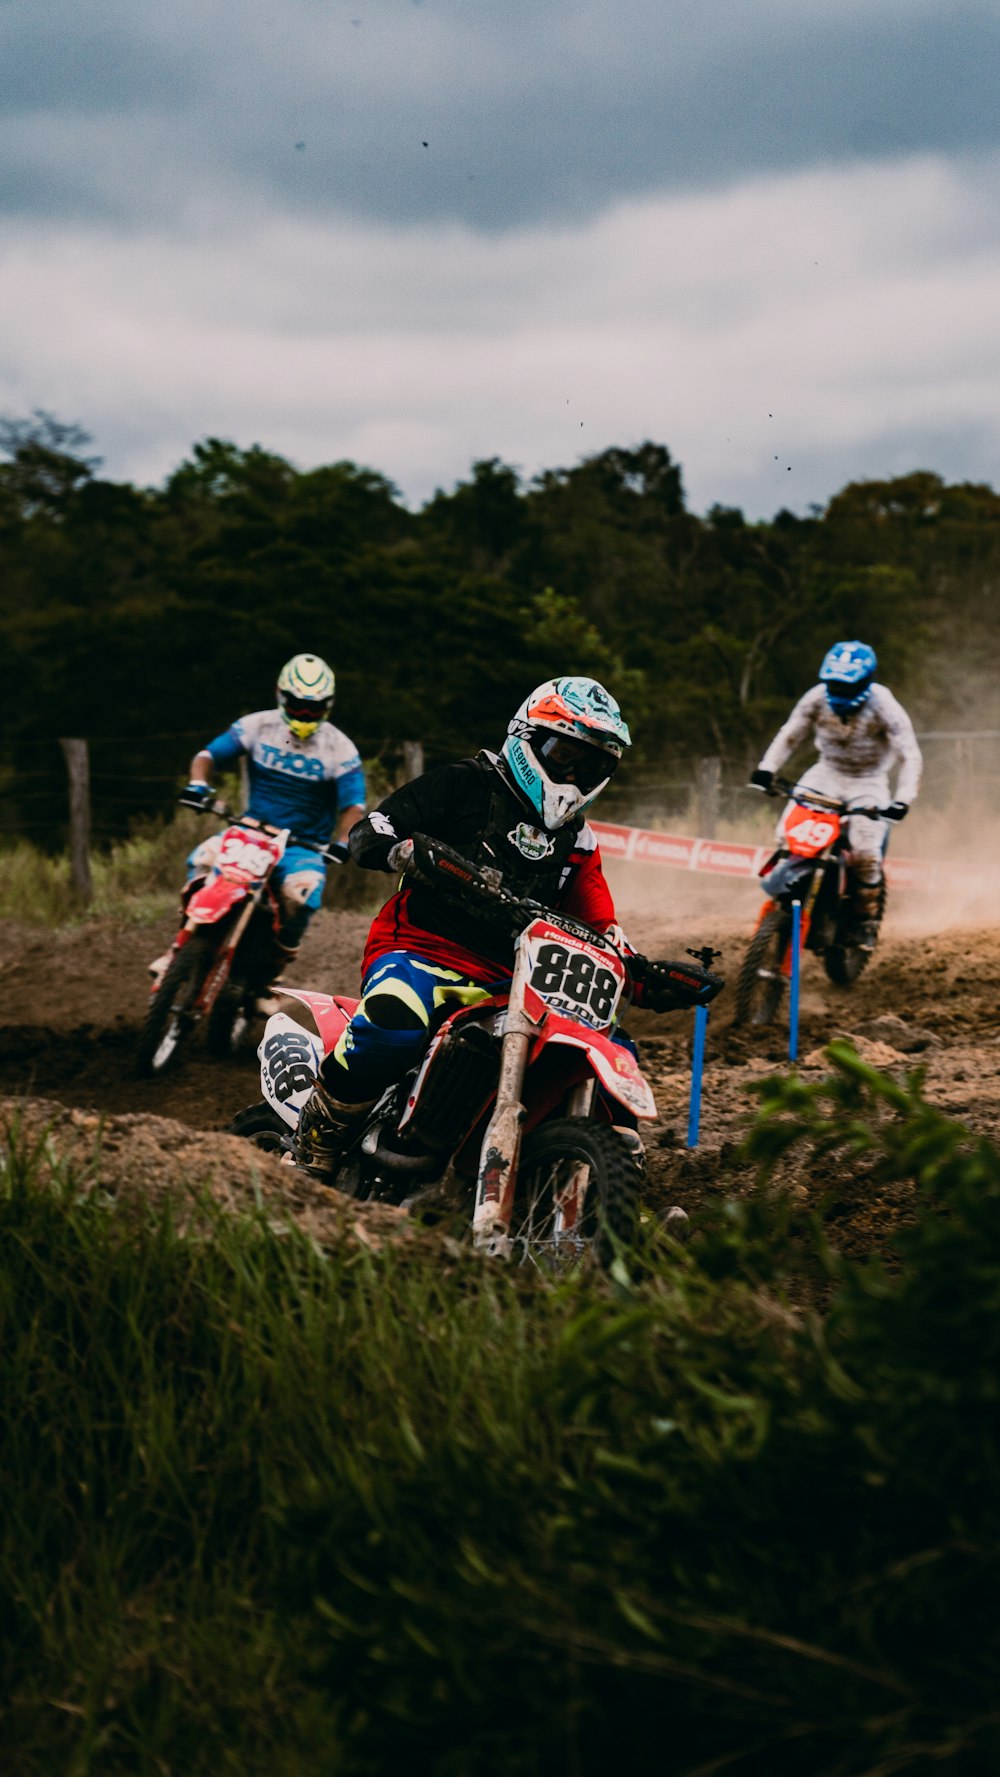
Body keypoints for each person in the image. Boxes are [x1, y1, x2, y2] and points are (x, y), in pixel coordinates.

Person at [293, 674, 717, 1182]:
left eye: (593, 766)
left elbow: (602, 927)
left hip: (513, 982)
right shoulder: (463, 784)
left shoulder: (577, 842)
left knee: (618, 1049)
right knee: (393, 1019)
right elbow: (373, 829)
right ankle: (316, 1140)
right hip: (421, 950)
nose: (576, 773)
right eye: (565, 756)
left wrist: (642, 972)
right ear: (527, 738)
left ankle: (610, 1184)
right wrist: (404, 850)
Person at [159, 653, 365, 1003]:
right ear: (281, 697)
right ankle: (181, 946)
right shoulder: (257, 726)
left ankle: (272, 971)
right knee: (203, 860)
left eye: (313, 708)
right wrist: (197, 784)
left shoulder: (340, 748)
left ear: (327, 706)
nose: (304, 715)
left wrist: (344, 840)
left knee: (304, 894)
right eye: (298, 705)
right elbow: (207, 756)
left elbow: (353, 806)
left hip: (303, 846)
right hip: (250, 831)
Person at [749, 640, 922, 944]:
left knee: (865, 853)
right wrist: (767, 769)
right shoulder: (816, 698)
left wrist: (903, 799)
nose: (839, 691)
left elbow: (910, 755)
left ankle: (863, 921)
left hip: (869, 780)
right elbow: (790, 735)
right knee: (786, 835)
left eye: (847, 685)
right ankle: (787, 899)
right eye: (834, 684)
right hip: (825, 772)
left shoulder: (884, 705)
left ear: (865, 681)